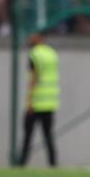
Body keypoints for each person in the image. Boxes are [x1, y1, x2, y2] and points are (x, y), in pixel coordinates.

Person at [18, 32, 59, 167]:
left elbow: (34, 78)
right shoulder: (52, 53)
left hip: (36, 102)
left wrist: (29, 101)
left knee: (28, 135)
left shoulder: (34, 54)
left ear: (39, 37)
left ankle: (21, 163)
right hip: (50, 102)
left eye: (32, 36)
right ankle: (53, 164)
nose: (29, 38)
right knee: (48, 136)